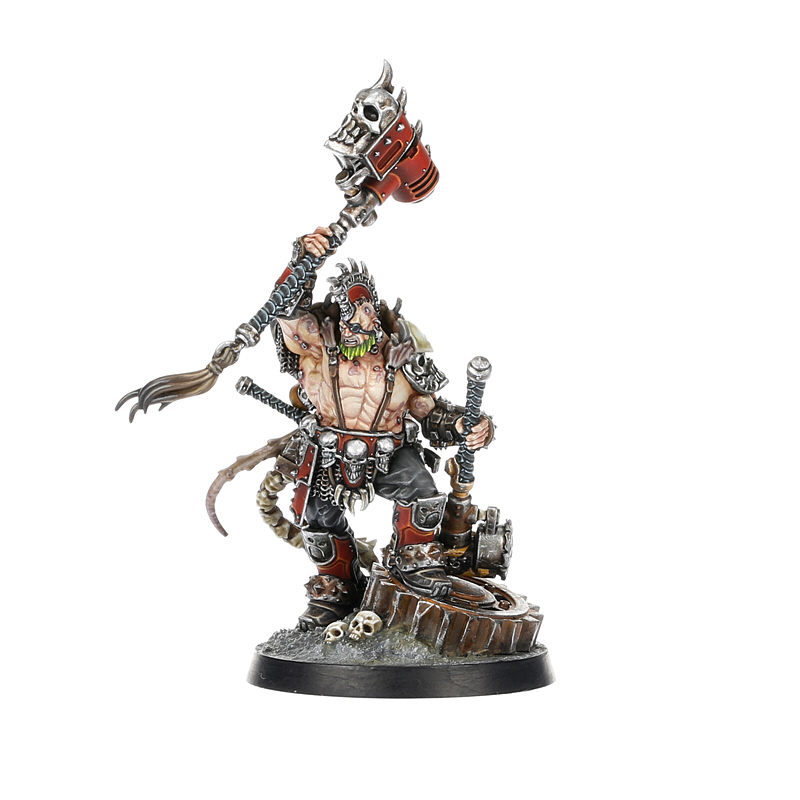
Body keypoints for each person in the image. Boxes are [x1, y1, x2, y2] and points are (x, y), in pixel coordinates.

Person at [270, 228, 492, 630]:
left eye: (368, 307)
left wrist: (466, 425)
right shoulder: (314, 346)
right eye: (354, 310)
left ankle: (416, 565)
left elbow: (429, 411)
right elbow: (283, 308)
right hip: (328, 451)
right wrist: (303, 260)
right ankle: (336, 589)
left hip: (388, 450)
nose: (365, 317)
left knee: (422, 492)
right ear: (339, 315)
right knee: (316, 517)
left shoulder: (400, 355)